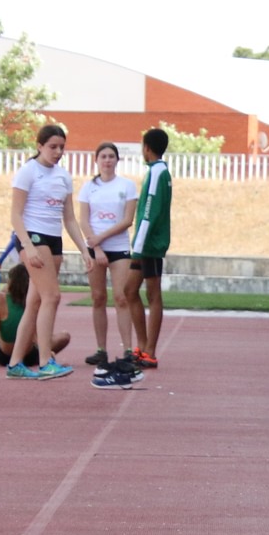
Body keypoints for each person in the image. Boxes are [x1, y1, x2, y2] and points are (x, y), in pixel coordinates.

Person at [5, 124, 92, 380]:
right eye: (52, 147)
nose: (57, 152)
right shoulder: (28, 172)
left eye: (61, 148)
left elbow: (70, 219)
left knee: (35, 302)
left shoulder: (64, 177)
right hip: (33, 236)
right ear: (39, 146)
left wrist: (85, 251)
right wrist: (28, 246)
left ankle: (15, 364)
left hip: (54, 240)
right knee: (51, 297)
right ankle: (45, 362)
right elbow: (15, 214)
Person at [77, 140, 139, 369]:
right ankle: (101, 349)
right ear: (96, 160)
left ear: (117, 160)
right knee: (98, 297)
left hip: (119, 247)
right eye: (103, 156)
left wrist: (101, 239)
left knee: (121, 297)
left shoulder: (127, 186)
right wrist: (96, 248)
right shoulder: (88, 187)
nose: (107, 160)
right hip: (95, 249)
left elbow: (127, 220)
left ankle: (127, 350)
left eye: (111, 156)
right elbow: (83, 219)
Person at [120, 126, 174, 368]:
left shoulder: (157, 173)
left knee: (153, 294)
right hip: (145, 243)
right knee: (129, 290)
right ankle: (142, 345)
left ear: (147, 148)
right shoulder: (157, 172)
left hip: (148, 245)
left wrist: (139, 245)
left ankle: (150, 350)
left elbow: (150, 210)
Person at [0, 262, 73, 370]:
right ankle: (46, 358)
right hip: (30, 356)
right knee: (64, 336)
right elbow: (38, 333)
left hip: (4, 356)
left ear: (10, 281)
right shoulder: (37, 300)